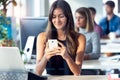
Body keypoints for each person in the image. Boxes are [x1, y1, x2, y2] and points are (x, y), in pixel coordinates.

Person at [36, 0, 86, 76]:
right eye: (53, 17)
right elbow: (38, 72)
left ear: (68, 17)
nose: (57, 20)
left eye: (61, 16)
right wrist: (45, 57)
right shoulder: (42, 37)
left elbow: (77, 72)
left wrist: (67, 57)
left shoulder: (80, 38)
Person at [75, 7, 100, 75]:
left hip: (87, 69)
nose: (77, 20)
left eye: (81, 17)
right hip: (73, 66)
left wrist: (80, 56)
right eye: (76, 17)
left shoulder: (94, 34)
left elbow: (96, 54)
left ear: (87, 19)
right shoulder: (72, 34)